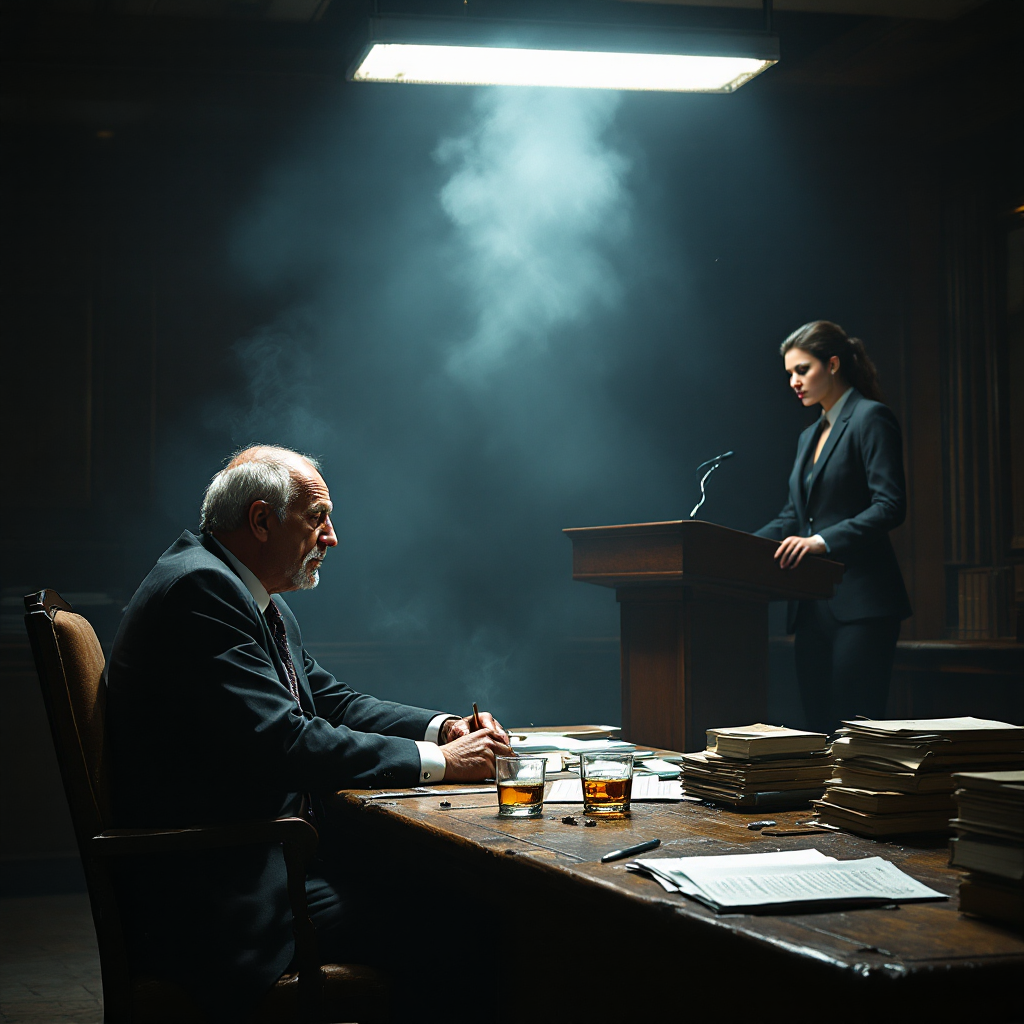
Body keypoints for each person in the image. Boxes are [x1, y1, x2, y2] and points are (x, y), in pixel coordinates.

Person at [106, 444, 512, 1020]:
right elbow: (287, 742)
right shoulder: (200, 592)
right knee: (465, 923)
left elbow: (331, 701)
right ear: (262, 520)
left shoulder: (242, 591)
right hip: (222, 900)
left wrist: (442, 728)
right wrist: (447, 763)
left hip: (258, 864)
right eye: (317, 517)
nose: (331, 537)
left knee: (449, 893)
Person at [755, 321, 912, 734]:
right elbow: (794, 516)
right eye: (789, 373)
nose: (794, 381)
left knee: (855, 729)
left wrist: (822, 542)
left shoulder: (870, 418)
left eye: (802, 370)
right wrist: (733, 548)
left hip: (863, 603)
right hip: (812, 606)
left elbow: (891, 506)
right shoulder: (810, 435)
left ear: (834, 364)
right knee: (818, 727)